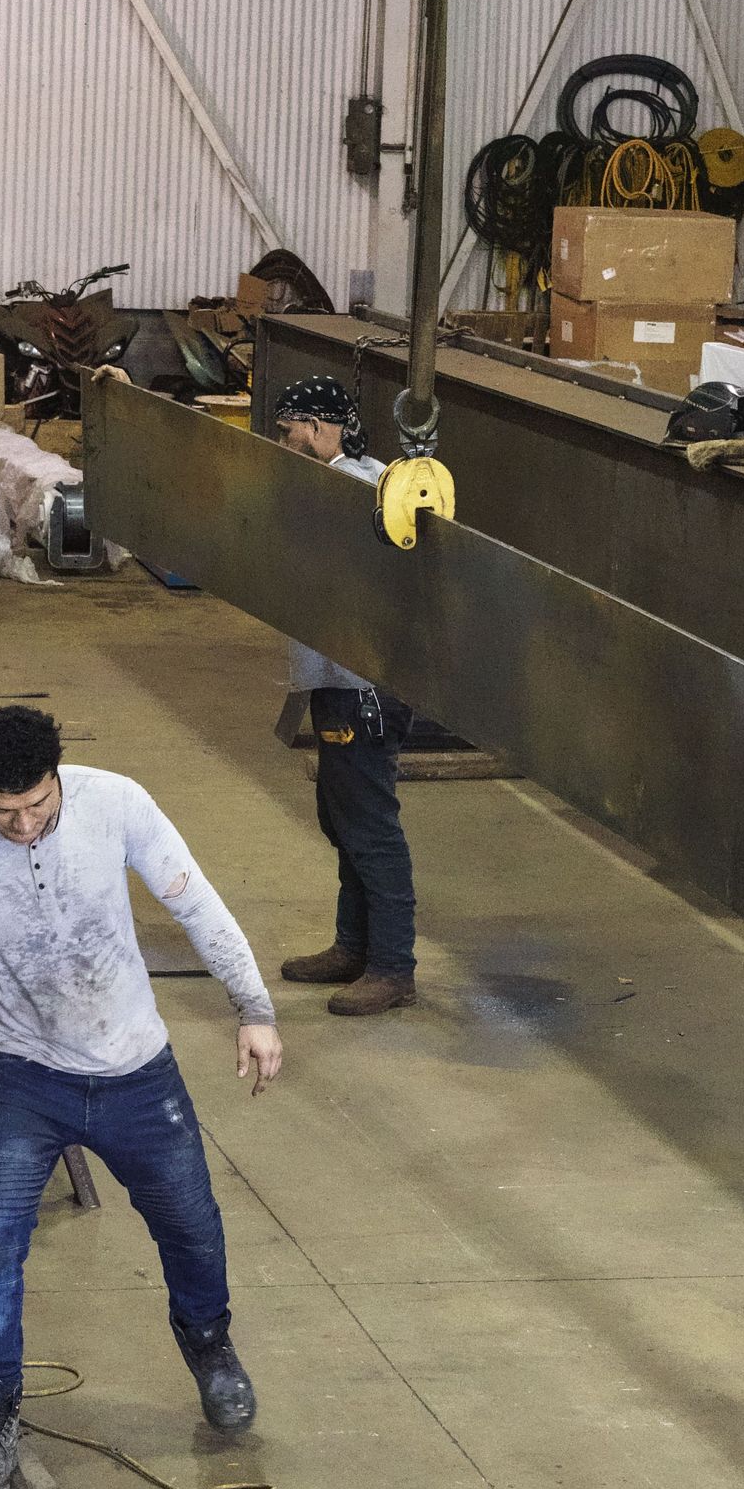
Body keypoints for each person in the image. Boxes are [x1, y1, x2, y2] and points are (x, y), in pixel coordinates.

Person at [0, 705, 284, 1489]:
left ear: (59, 779)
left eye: (37, 807)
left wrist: (254, 1007)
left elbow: (197, 903)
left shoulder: (116, 803)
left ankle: (210, 1345)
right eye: (2, 811)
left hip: (138, 1072)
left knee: (193, 1228)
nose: (23, 825)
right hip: (22, 1076)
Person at [273, 374, 419, 1017]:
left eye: (289, 430)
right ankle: (354, 946)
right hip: (335, 680)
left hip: (365, 686)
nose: (283, 441)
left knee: (370, 826)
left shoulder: (365, 489)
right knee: (343, 818)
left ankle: (393, 968)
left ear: (319, 428)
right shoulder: (327, 484)